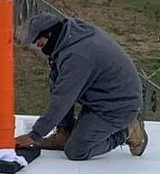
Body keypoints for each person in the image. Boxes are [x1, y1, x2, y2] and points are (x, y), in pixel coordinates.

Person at [16, 11, 148, 160]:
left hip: (118, 106)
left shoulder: (77, 56)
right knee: (56, 74)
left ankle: (129, 131)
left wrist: (35, 135)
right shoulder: (71, 35)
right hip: (102, 98)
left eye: (39, 42)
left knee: (76, 150)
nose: (38, 46)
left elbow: (62, 99)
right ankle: (64, 133)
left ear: (50, 34)